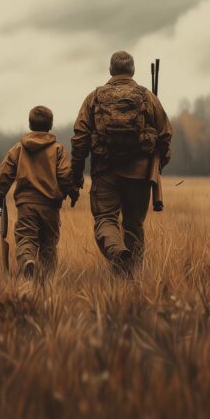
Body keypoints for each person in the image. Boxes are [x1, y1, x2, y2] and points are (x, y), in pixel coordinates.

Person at [71, 51, 172, 275]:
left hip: (105, 172)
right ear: (133, 71)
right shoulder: (147, 97)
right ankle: (131, 277)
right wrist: (158, 165)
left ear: (110, 71)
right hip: (140, 174)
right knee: (134, 226)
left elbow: (80, 137)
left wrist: (77, 172)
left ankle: (117, 252)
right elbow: (165, 134)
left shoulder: (94, 97)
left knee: (105, 219)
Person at [0, 105, 79, 279]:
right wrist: (72, 192)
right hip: (50, 206)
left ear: (30, 124)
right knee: (48, 245)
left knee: (26, 238)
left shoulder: (19, 148)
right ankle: (47, 283)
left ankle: (27, 262)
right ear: (51, 124)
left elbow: (5, 172)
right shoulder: (58, 149)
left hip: (26, 204)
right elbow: (65, 175)